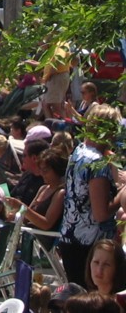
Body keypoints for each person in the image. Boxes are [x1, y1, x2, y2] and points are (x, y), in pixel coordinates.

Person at [61, 104, 122, 285]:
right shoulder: (97, 163)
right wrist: (121, 195)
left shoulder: (78, 151)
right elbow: (101, 213)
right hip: (89, 247)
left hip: (70, 238)